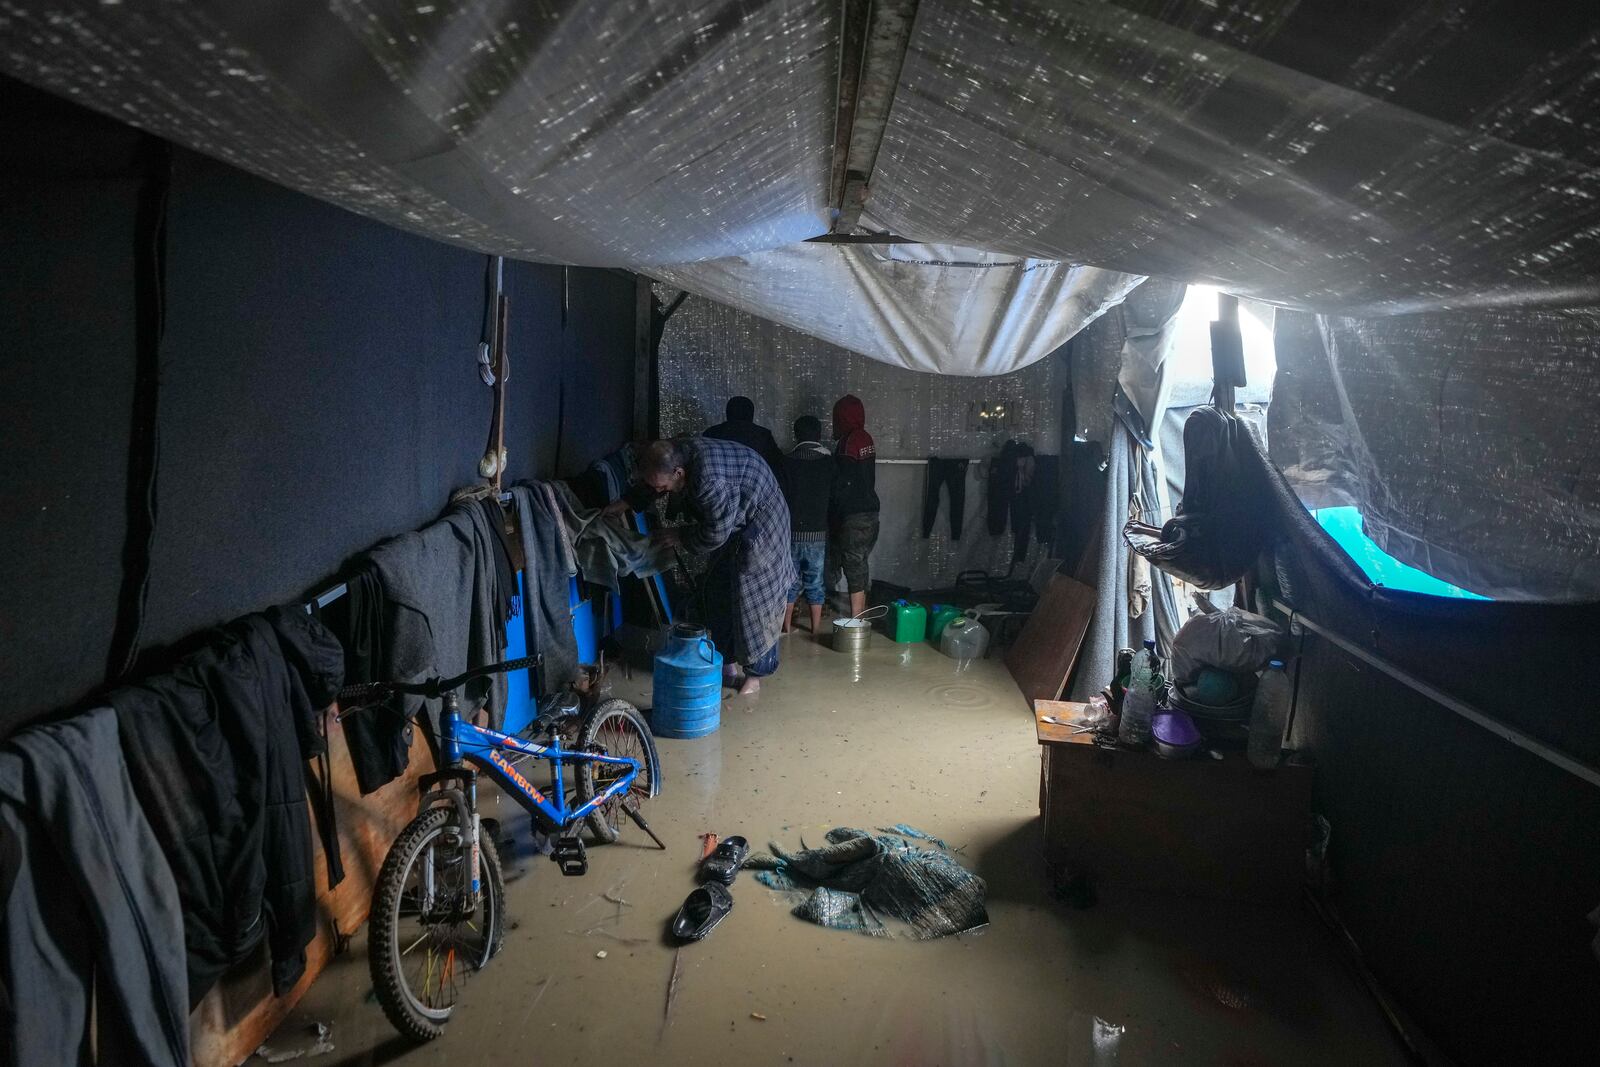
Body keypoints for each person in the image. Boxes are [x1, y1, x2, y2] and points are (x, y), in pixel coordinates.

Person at [621, 437, 794, 695]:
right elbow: (654, 480)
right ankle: (726, 662)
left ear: (679, 474)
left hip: (763, 522)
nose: (657, 490)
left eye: (662, 485)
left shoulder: (708, 482)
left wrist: (679, 536)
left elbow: (715, 534)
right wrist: (626, 503)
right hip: (735, 518)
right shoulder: (676, 454)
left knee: (757, 600)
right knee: (718, 589)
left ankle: (756, 673)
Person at [779, 415, 837, 635]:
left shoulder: (786, 461)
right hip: (818, 534)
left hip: (791, 533)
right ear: (819, 435)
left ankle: (786, 627)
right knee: (815, 583)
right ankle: (814, 629)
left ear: (796, 435)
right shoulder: (828, 462)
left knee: (790, 583)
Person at [829, 394, 880, 619]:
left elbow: (844, 482)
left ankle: (857, 618)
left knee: (852, 563)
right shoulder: (866, 437)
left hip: (853, 514)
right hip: (871, 510)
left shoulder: (849, 442)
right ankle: (861, 612)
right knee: (860, 561)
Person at [702, 396, 782, 473]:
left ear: (728, 412)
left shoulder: (711, 433)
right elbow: (777, 462)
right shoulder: (763, 434)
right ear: (751, 413)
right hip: (754, 482)